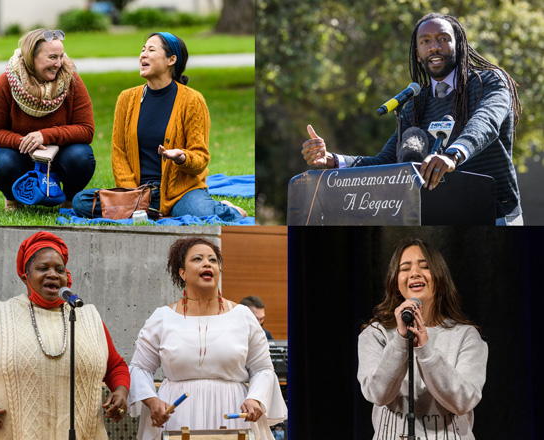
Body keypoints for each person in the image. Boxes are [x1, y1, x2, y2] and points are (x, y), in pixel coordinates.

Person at [300, 13, 523, 225]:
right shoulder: (416, 104)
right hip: (444, 218)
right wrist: (332, 160)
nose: (434, 46)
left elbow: (486, 123)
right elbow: (386, 161)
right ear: (417, 53)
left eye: (443, 39)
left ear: (459, 45)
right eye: (425, 41)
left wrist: (453, 154)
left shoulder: (490, 82)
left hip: (496, 215)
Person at [0, 231, 129, 439]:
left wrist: (121, 392)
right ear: (26, 276)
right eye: (43, 268)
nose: (53, 274)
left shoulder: (89, 317)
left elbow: (116, 366)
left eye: (59, 270)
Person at [72, 32, 246, 221]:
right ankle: (149, 209)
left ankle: (224, 208)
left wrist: (182, 157)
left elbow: (201, 158)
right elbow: (119, 153)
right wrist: (132, 194)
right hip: (139, 192)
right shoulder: (126, 99)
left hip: (181, 192)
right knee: (81, 201)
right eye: (143, 50)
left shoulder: (192, 100)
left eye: (151, 50)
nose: (143, 55)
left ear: (171, 60)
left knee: (206, 215)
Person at [128, 237, 286, 440]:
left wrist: (255, 398)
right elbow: (140, 368)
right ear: (182, 272)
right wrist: (152, 400)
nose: (207, 263)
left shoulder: (243, 316)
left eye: (213, 259)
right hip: (176, 417)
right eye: (197, 259)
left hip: (233, 415)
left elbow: (263, 369)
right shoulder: (162, 317)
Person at [357, 238, 487, 440]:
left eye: (425, 267)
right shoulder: (376, 334)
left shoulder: (466, 336)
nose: (415, 273)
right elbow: (377, 394)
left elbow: (463, 401)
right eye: (405, 268)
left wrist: (425, 350)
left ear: (440, 279)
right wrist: (401, 341)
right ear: (395, 281)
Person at [0, 29, 96, 212]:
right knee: (2, 162)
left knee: (81, 156)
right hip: (20, 155)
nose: (59, 64)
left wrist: (44, 136)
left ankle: (67, 200)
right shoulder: (6, 83)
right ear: (31, 58)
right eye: (52, 57)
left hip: (60, 154)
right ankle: (14, 199)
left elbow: (86, 130)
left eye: (61, 56)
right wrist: (26, 143)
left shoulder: (72, 80)